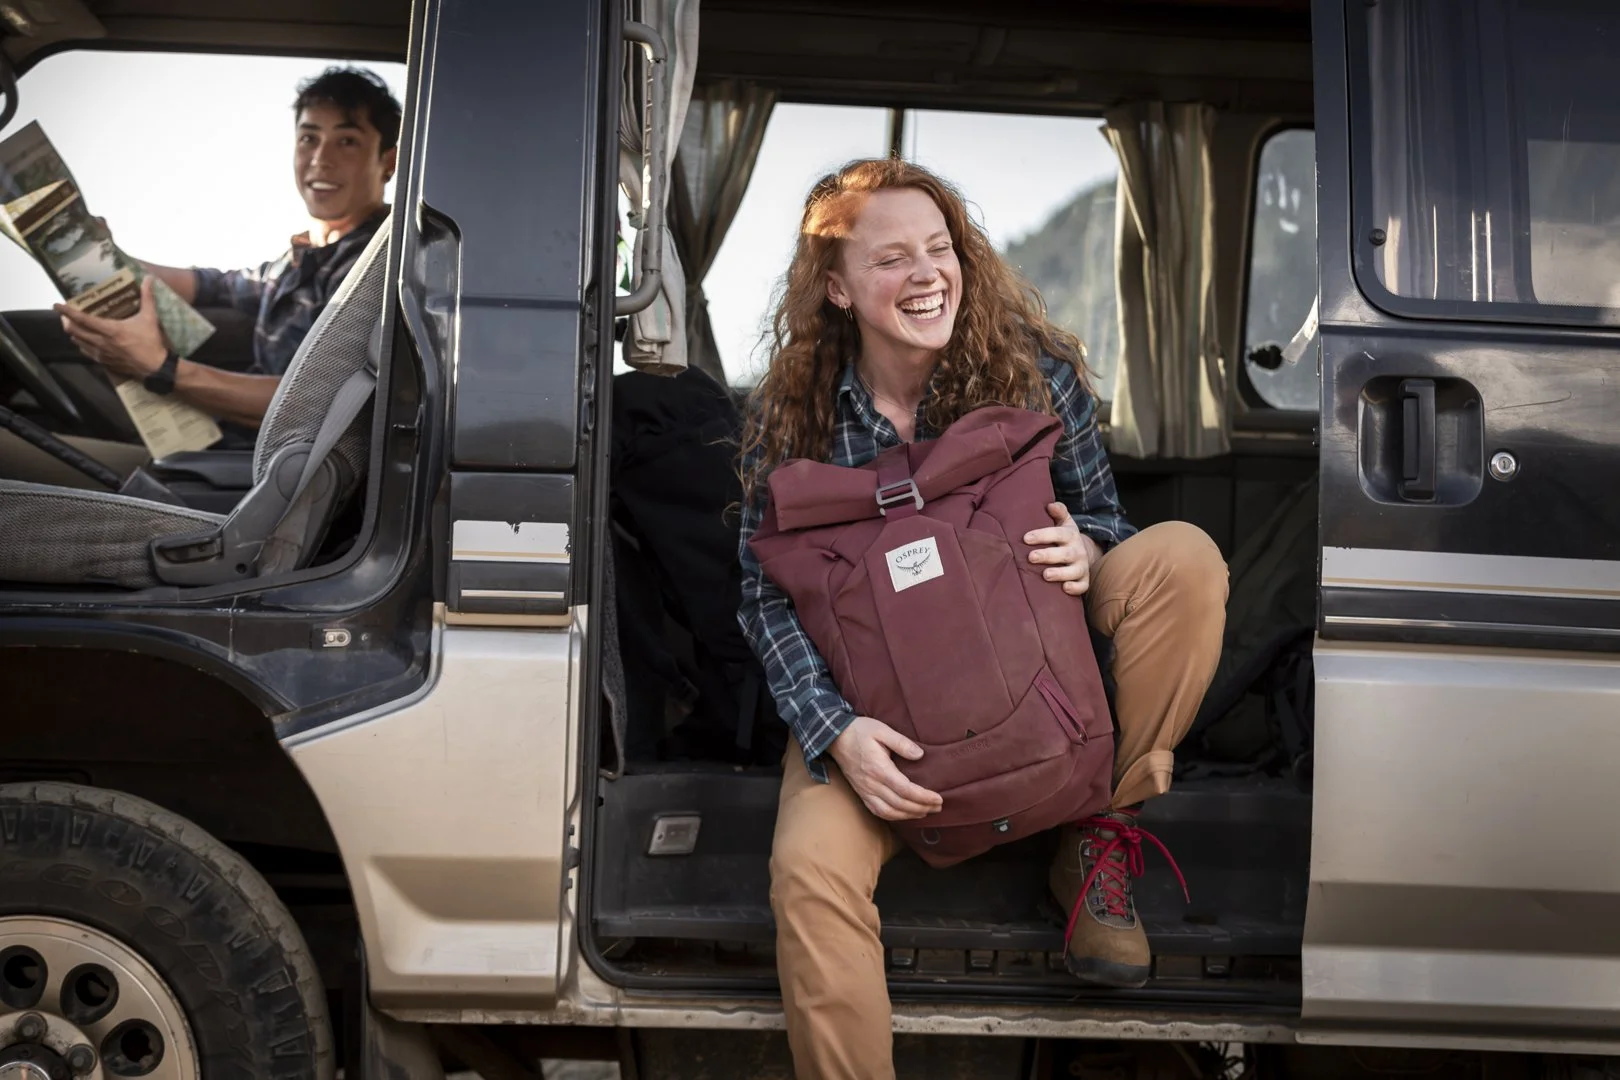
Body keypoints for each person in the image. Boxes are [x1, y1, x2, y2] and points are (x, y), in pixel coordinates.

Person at [736, 158, 1229, 1080]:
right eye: (892, 259)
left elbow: (1108, 517)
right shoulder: (792, 418)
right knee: (808, 869)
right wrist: (836, 733)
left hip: (1038, 685)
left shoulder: (1034, 375)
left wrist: (1086, 547)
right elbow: (762, 593)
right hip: (881, 721)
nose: (927, 273)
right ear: (836, 287)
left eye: (940, 248)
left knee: (1182, 561)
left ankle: (1097, 827)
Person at [53, 66, 400, 434]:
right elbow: (209, 285)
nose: (320, 159)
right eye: (308, 139)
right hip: (239, 452)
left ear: (388, 162)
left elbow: (314, 401)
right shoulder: (294, 262)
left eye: (347, 141)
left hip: (283, 471)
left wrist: (160, 367)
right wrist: (104, 251)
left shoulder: (376, 265)